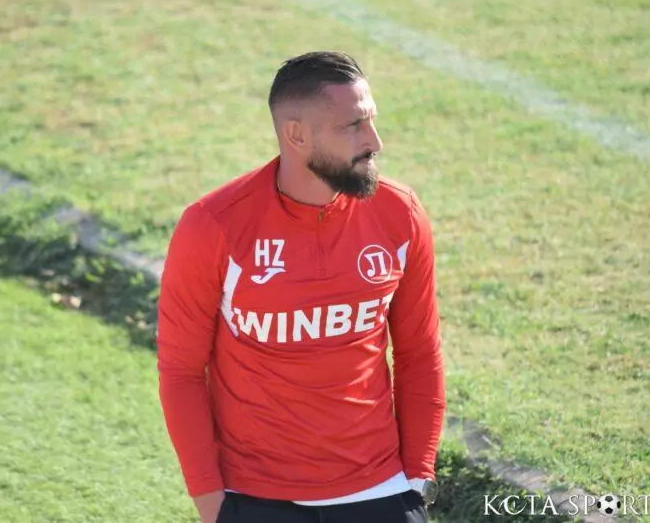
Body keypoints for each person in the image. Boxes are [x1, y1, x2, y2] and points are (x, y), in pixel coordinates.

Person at [156, 51, 446, 523]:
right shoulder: (214, 226)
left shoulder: (400, 214)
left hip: (381, 487)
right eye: (353, 126)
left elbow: (420, 354)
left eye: (371, 121)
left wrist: (418, 477)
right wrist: (212, 503)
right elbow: (180, 371)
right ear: (296, 135)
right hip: (253, 496)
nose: (374, 141)